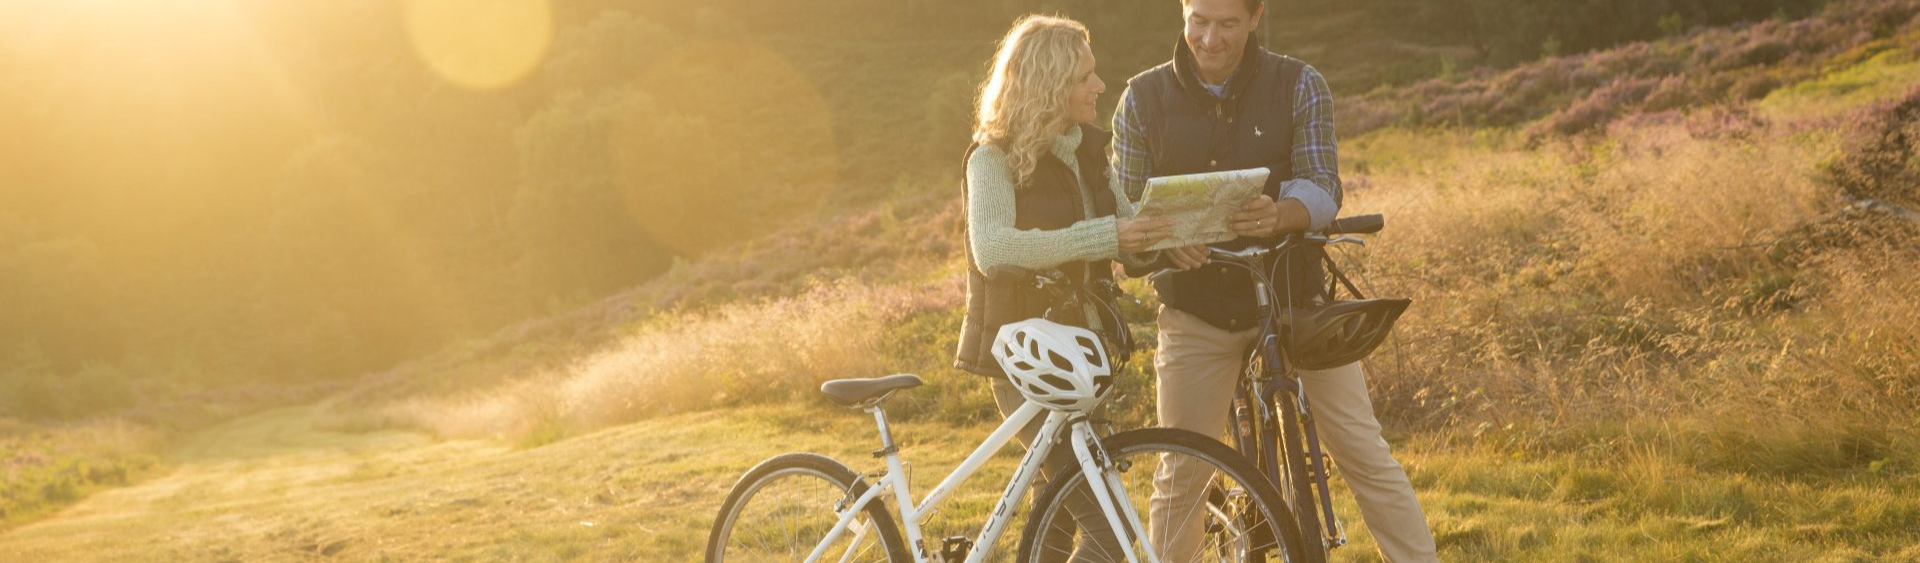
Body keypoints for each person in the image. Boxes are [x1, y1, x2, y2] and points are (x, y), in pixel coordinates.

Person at [1109, 0, 1442, 561]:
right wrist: (1163, 240)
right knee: (1183, 469)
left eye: (1228, 24)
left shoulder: (1300, 83)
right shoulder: (1141, 98)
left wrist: (1282, 213)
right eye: (1198, 21)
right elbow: (1126, 208)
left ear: (1257, 17)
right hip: (1197, 310)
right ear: (1182, 12)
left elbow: (1322, 182)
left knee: (1362, 449)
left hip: (1297, 301)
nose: (1210, 39)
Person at [952, 13, 1181, 563]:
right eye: (1085, 77)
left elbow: (1124, 237)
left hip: (1082, 357)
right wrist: (1106, 234)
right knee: (1106, 531)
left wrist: (1170, 241)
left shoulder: (1087, 152)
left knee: (1052, 521)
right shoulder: (992, 159)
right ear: (1049, 85)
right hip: (1025, 358)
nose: (1099, 87)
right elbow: (994, 250)